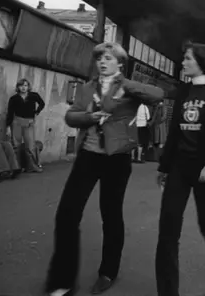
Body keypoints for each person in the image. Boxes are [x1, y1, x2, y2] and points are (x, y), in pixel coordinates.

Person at [45, 42, 164, 296]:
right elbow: (71, 116)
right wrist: (89, 117)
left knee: (110, 215)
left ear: (119, 63)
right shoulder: (88, 88)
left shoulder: (129, 88)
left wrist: (123, 83)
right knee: (66, 215)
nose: (102, 62)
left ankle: (108, 271)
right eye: (99, 58)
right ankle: (62, 281)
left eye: (108, 58)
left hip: (116, 159)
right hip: (88, 156)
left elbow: (158, 95)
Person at [155, 42, 205, 296]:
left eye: (188, 58)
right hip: (179, 167)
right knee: (167, 229)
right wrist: (164, 167)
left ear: (202, 61)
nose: (183, 63)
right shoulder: (183, 91)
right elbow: (174, 132)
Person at [6, 78, 45, 173]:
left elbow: (42, 103)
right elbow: (10, 113)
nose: (23, 87)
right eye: (21, 85)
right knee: (16, 145)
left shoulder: (33, 95)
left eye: (25, 85)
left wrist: (37, 112)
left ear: (28, 87)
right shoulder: (14, 98)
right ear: (18, 87)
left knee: (30, 145)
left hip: (29, 122)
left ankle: (32, 167)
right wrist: (8, 127)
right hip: (17, 122)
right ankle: (16, 167)